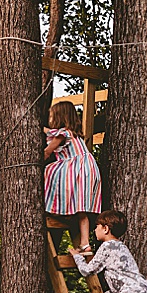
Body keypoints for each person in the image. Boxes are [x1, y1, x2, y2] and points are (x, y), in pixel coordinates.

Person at [44, 101, 102, 251]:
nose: (50, 119)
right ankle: (85, 243)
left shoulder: (63, 134)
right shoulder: (75, 134)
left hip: (77, 168)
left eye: (51, 116)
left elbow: (48, 151)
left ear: (58, 117)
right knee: (82, 209)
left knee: (50, 172)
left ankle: (54, 207)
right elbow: (48, 132)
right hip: (89, 169)